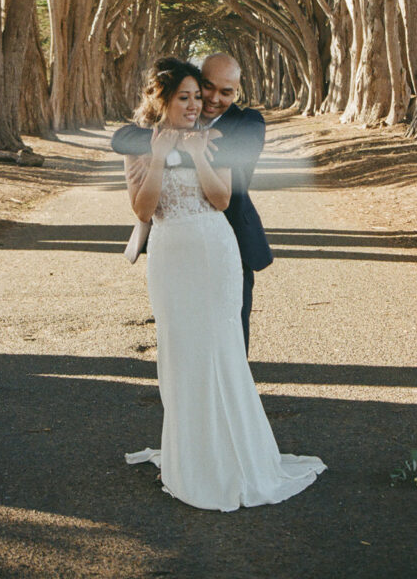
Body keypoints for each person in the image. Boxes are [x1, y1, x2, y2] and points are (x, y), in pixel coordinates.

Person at [122, 57, 326, 511]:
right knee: (180, 349)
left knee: (221, 346)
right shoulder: (140, 144)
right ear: (164, 99)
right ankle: (189, 454)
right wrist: (158, 157)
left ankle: (234, 454)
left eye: (202, 96)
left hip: (216, 251)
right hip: (171, 256)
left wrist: (196, 155)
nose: (198, 104)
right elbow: (143, 210)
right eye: (187, 97)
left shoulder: (221, 136)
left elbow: (221, 198)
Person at [111, 52, 272, 352]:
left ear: (237, 92)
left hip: (231, 244)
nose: (211, 99)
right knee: (182, 338)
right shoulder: (180, 119)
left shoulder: (248, 123)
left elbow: (232, 155)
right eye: (206, 88)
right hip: (174, 247)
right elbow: (121, 139)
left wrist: (176, 146)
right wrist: (171, 141)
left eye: (226, 92)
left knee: (231, 338)